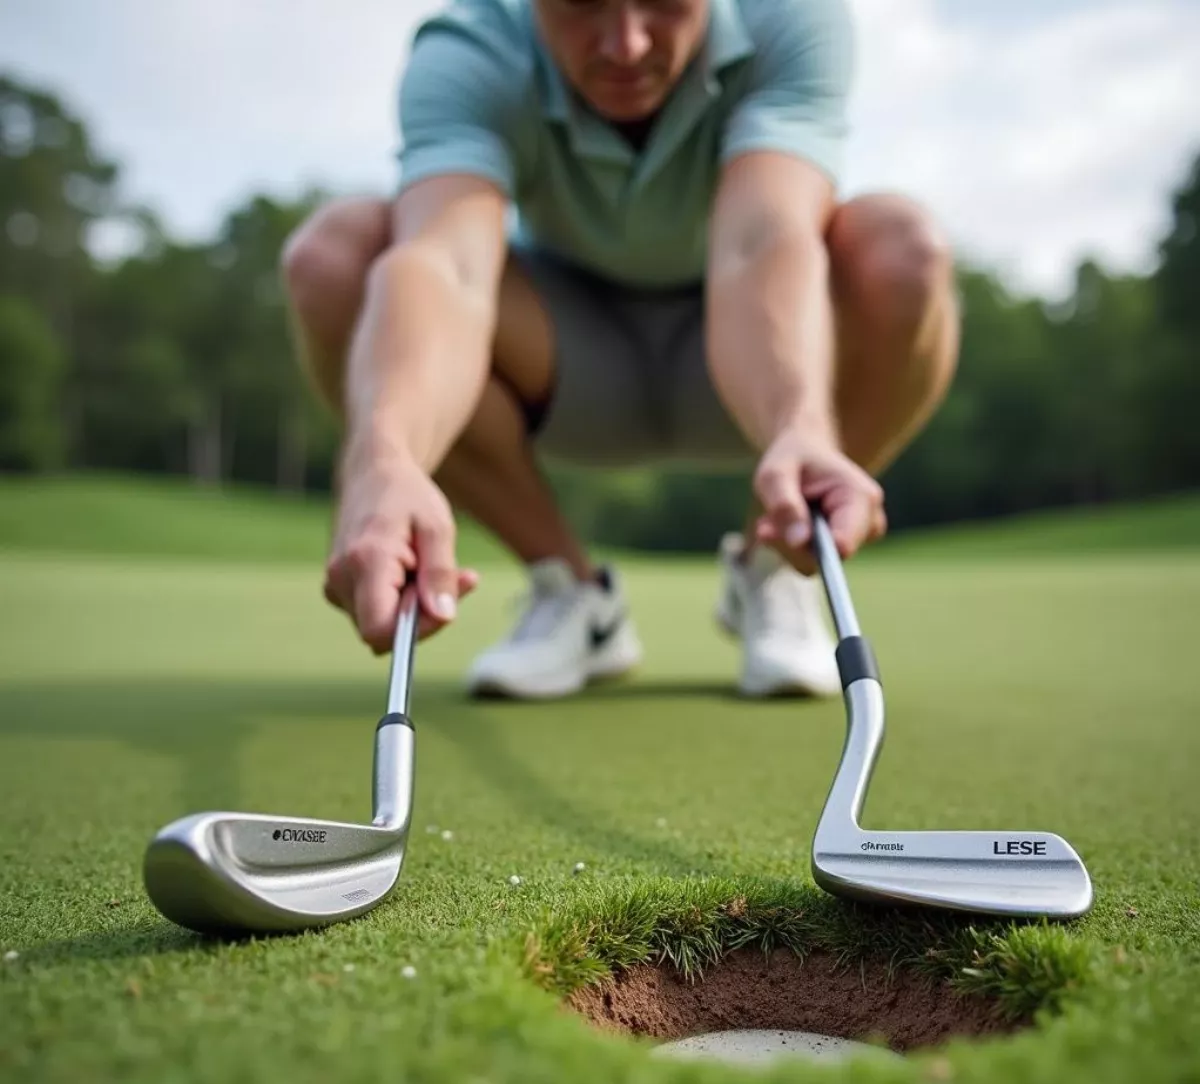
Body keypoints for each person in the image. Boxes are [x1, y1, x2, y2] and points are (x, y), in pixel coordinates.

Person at [282, 0, 959, 699]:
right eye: (581, 4)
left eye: (663, 2)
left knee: (902, 248)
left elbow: (759, 243)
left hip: (750, 358)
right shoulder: (471, 48)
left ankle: (779, 562)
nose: (627, 44)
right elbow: (448, 270)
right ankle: (575, 594)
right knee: (336, 257)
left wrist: (799, 428)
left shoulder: (790, 18)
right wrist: (384, 459)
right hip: (561, 364)